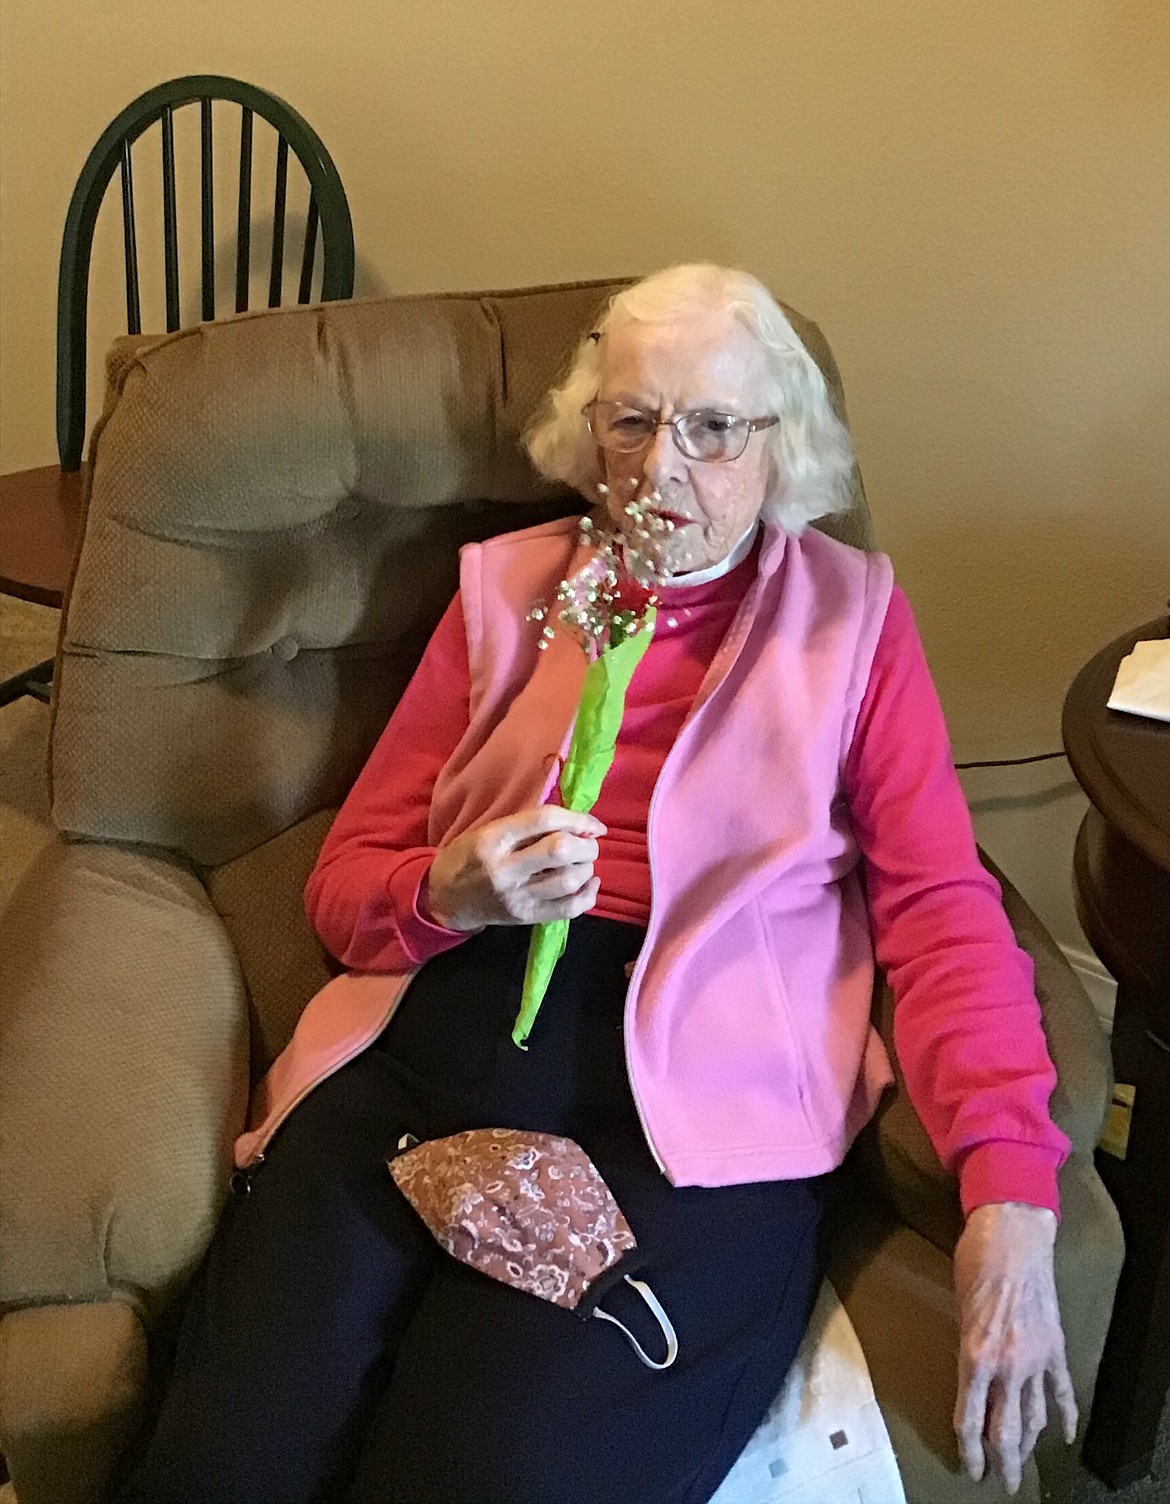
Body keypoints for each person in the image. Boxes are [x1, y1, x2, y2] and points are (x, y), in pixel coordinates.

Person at [114, 263, 1076, 1504]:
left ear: (781, 449)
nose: (661, 466)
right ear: (591, 432)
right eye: (631, 419)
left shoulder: (852, 626)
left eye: (713, 427)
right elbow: (349, 881)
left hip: (694, 1098)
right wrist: (443, 893)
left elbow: (942, 913)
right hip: (446, 1028)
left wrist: (1011, 1190)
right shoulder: (510, 591)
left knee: (484, 1471)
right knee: (225, 1454)